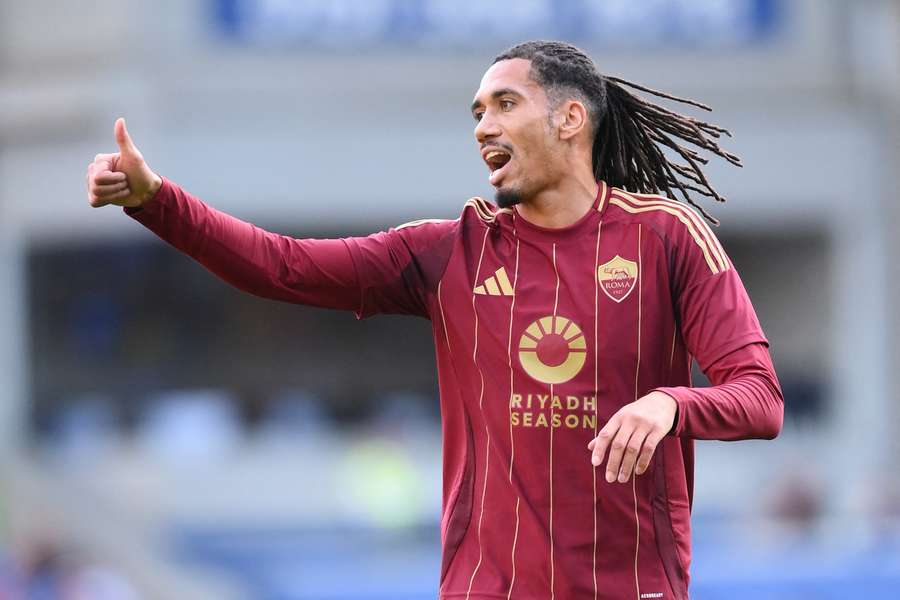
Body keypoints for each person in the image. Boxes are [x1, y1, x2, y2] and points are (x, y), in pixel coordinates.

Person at [85, 40, 783, 600]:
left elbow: (760, 397)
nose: (483, 125)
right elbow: (283, 265)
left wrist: (672, 402)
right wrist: (155, 201)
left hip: (635, 588)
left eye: (505, 103)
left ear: (570, 119)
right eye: (477, 111)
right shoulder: (450, 252)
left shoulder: (666, 237)